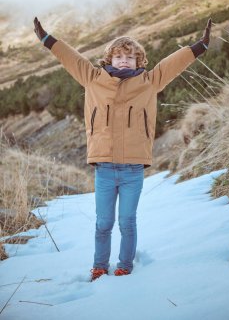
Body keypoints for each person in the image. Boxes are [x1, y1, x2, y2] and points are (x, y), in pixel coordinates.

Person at [33, 16, 212, 281]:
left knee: (127, 222)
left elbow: (171, 64)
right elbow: (72, 58)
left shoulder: (149, 83)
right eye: (118, 57)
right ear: (109, 60)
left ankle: (125, 266)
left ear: (140, 62)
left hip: (132, 169)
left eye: (130, 57)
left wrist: (200, 46)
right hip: (104, 168)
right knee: (103, 223)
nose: (124, 61)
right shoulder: (93, 79)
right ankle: (99, 266)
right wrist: (48, 39)